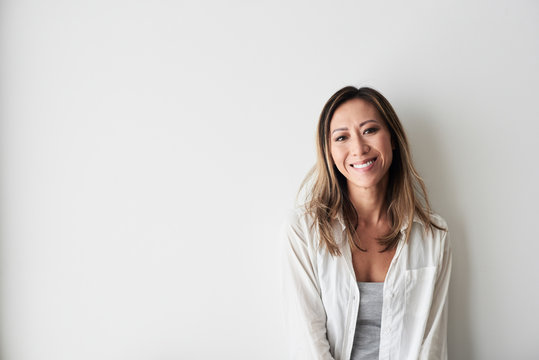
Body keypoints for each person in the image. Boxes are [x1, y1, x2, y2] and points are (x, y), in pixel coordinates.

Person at [282, 86, 452, 360]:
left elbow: (433, 345)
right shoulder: (304, 230)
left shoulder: (433, 236)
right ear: (329, 151)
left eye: (370, 130)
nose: (359, 148)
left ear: (393, 138)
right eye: (342, 137)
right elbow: (307, 343)